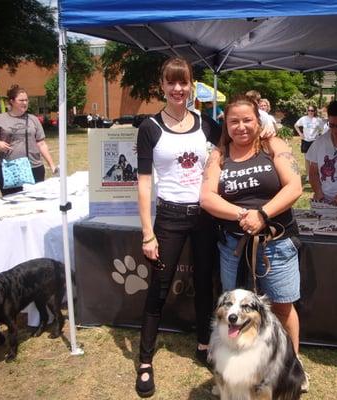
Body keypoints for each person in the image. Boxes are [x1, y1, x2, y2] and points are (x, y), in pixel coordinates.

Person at [200, 94, 305, 374]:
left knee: (282, 307)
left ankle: (291, 365)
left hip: (276, 244)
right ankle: (241, 365)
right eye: (234, 121)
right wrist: (242, 215)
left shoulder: (273, 145)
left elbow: (294, 186)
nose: (241, 126)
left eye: (247, 120)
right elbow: (207, 198)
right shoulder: (218, 155)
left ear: (258, 122)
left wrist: (263, 214)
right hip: (233, 246)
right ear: (226, 125)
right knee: (236, 313)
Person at [135, 57, 221, 398]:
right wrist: (147, 232)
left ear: (191, 84)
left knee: (204, 283)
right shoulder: (150, 128)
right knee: (159, 287)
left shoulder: (206, 123)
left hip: (203, 216)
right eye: (171, 83)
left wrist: (267, 126)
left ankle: (203, 345)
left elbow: (240, 136)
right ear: (162, 85)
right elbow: (143, 184)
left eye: (183, 82)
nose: (178, 89)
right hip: (168, 217)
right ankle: (144, 361)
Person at [0, 85, 56, 196]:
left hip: (34, 168)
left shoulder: (33, 119)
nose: (25, 103)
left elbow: (41, 143)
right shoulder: (1, 119)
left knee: (35, 203)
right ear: (11, 101)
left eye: (26, 100)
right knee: (12, 204)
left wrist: (52, 165)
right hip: (10, 168)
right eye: (21, 100)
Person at [294, 105, 325, 178]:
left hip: (314, 141)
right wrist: (300, 134)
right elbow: (296, 125)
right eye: (309, 110)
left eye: (312, 110)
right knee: (307, 159)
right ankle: (308, 175)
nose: (310, 112)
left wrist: (319, 136)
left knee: (315, 159)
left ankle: (315, 174)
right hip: (305, 141)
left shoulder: (318, 120)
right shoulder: (303, 119)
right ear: (307, 111)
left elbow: (323, 129)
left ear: (315, 111)